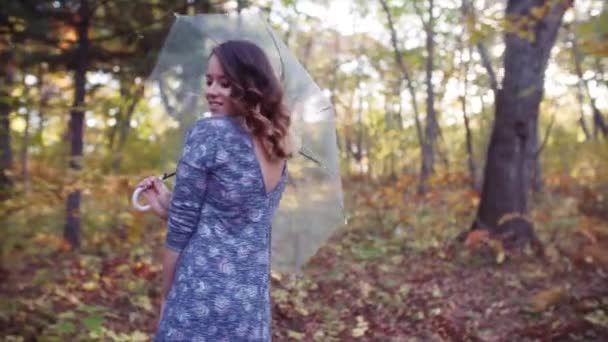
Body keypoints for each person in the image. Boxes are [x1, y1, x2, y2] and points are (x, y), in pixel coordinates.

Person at [136, 40, 292, 341]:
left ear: (248, 85)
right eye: (208, 81)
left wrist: (167, 295)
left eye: (225, 83)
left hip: (201, 296)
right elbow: (229, 219)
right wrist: (165, 204)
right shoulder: (276, 142)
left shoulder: (210, 133)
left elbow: (182, 230)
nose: (211, 90)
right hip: (250, 302)